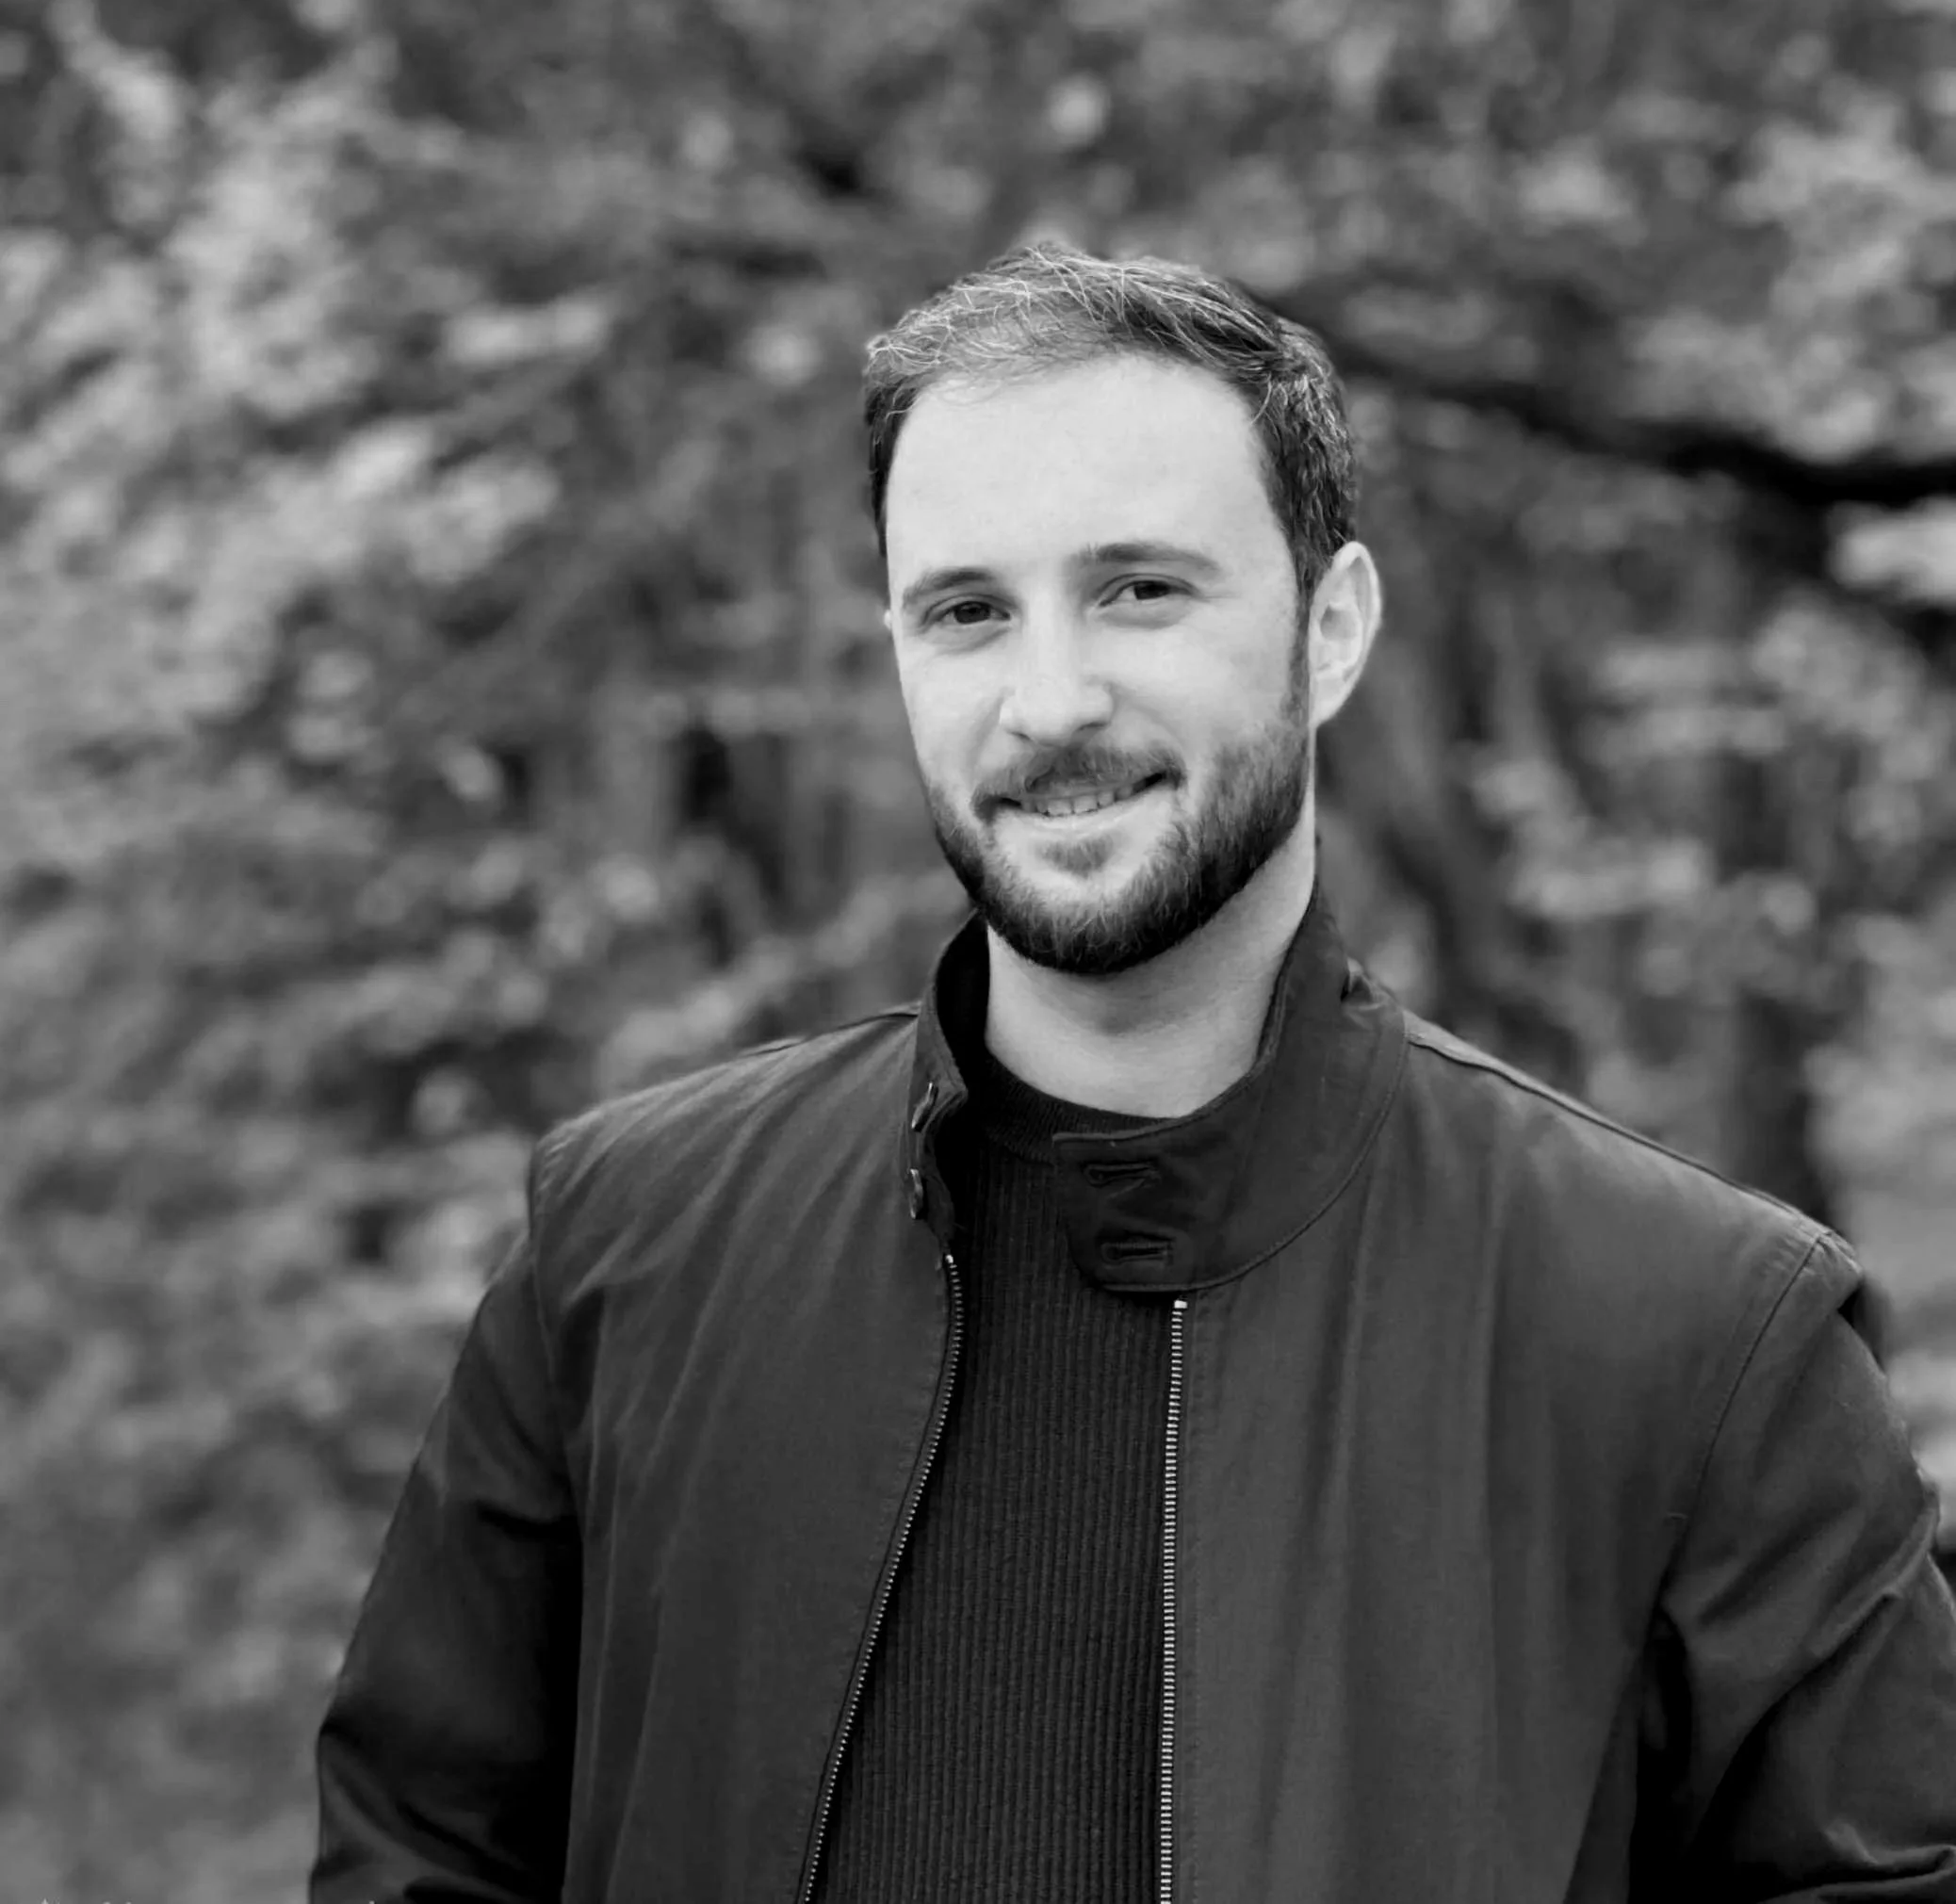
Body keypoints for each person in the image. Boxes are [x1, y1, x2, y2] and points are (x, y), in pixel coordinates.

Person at [312, 242, 1956, 1903]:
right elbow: (416, 1860)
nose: (1050, 700)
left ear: (1332, 630)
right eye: (967, 611)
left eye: (1139, 589)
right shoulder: (626, 1254)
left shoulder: (1698, 1334)